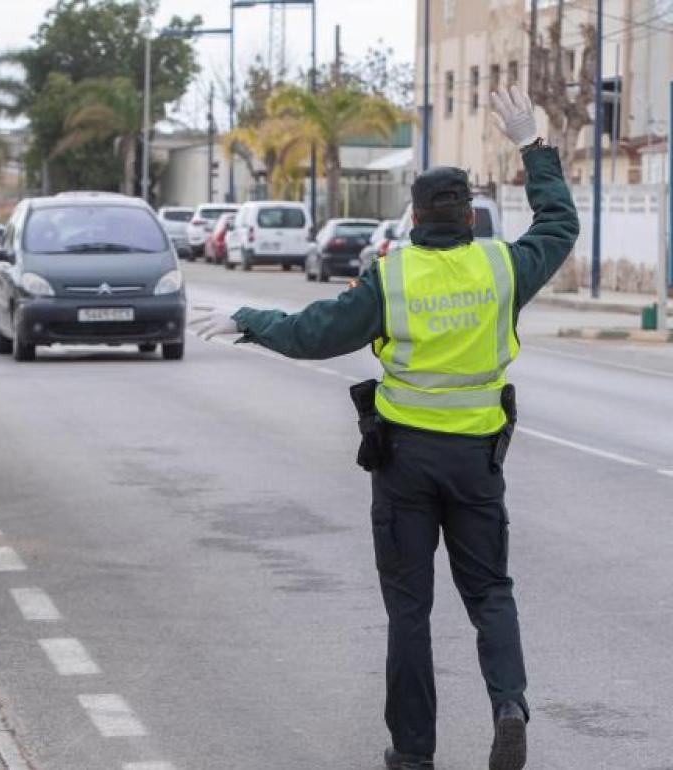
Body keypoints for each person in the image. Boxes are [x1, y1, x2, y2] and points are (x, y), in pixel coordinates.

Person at [190, 87, 578, 770]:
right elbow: (559, 225)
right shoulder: (502, 267)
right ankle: (509, 704)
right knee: (490, 594)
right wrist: (532, 147)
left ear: (414, 216)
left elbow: (316, 334)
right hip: (478, 462)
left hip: (405, 465)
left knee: (410, 612)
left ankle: (413, 753)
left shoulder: (391, 277)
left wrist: (250, 321)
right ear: (469, 217)